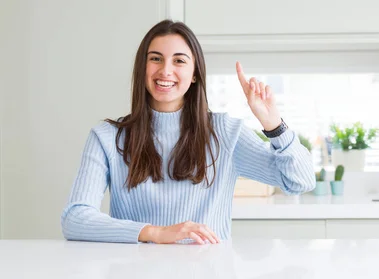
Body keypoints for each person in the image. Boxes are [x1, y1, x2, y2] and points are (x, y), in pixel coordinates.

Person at [60, 19, 315, 244]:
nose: (165, 70)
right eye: (155, 58)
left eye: (179, 60)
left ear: (194, 74)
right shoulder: (106, 137)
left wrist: (274, 125)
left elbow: (300, 181)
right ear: (143, 67)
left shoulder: (225, 133)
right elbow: (75, 219)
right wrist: (156, 233)